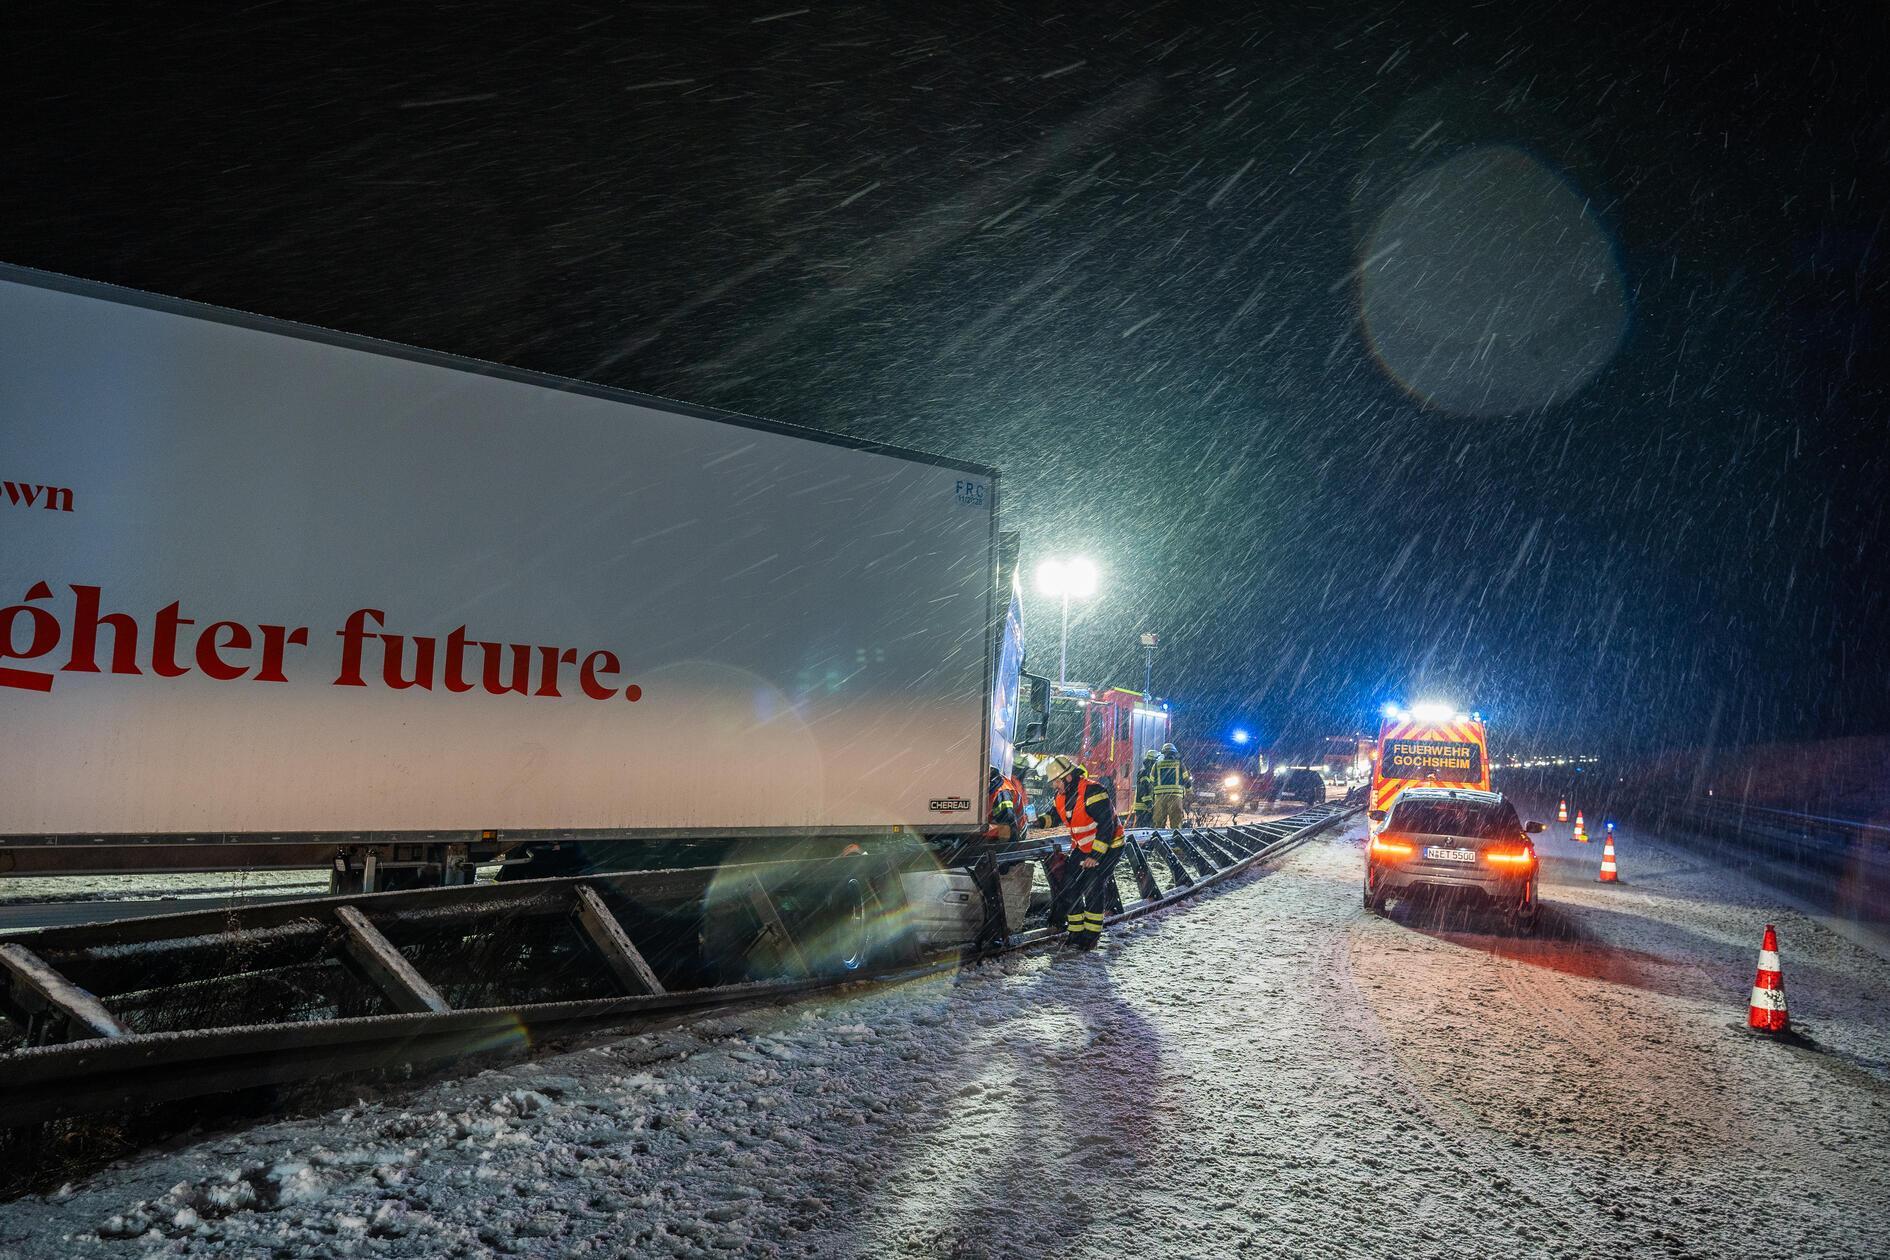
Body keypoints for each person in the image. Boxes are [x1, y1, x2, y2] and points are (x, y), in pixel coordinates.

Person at [1036, 755, 1122, 949]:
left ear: (1068, 778)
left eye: (1056, 781)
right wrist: (1039, 821)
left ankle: (1090, 937)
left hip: (1109, 847)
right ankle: (1075, 932)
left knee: (1092, 885)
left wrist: (1095, 856)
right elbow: (1054, 816)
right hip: (1084, 848)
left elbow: (1106, 827)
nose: (1054, 786)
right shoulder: (1062, 796)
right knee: (1069, 884)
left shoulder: (1093, 791)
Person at [1150, 742, 1192, 830]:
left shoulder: (1156, 765)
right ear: (1174, 753)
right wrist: (1188, 791)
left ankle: (1158, 842)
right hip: (1175, 797)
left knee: (1159, 824)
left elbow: (1152, 780)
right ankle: (1176, 841)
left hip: (1160, 798)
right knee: (1176, 824)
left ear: (1163, 753)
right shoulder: (1180, 764)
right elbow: (1187, 780)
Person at [1133, 749, 1157, 828]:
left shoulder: (1149, 772)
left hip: (1146, 807)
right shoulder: (1144, 772)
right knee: (1143, 829)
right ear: (1152, 762)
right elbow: (1143, 790)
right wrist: (1149, 804)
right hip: (1143, 807)